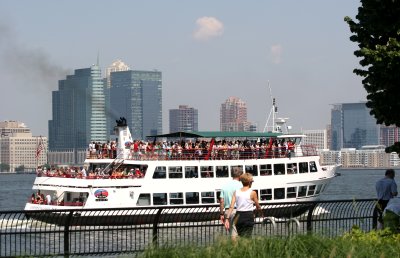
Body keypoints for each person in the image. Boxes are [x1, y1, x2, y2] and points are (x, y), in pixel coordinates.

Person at [225, 173, 263, 237]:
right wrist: (260, 213)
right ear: (249, 182)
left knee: (240, 236)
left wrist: (227, 219)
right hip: (248, 215)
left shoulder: (236, 192)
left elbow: (231, 207)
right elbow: (258, 206)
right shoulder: (253, 193)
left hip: (238, 216)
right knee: (248, 236)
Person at [219, 167, 243, 239]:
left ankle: (235, 249)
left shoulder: (224, 186)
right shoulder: (241, 186)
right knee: (242, 233)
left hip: (228, 211)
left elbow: (221, 201)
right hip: (240, 210)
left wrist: (221, 214)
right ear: (240, 175)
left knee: (233, 233)